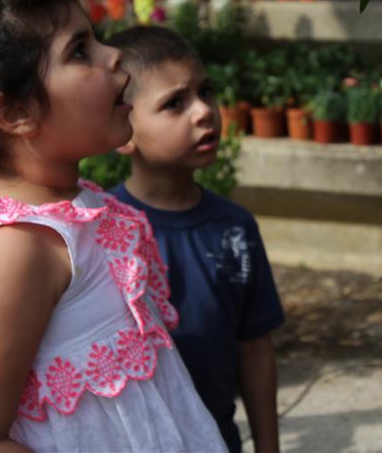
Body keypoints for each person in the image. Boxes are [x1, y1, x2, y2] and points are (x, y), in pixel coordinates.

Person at [0, 0, 226, 453]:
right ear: (15, 112)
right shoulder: (16, 250)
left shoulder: (75, 210)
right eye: (80, 51)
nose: (114, 54)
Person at [106, 26, 284, 453]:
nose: (204, 111)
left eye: (206, 91)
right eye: (175, 103)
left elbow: (255, 349)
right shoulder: (105, 231)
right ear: (124, 133)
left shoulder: (236, 229)